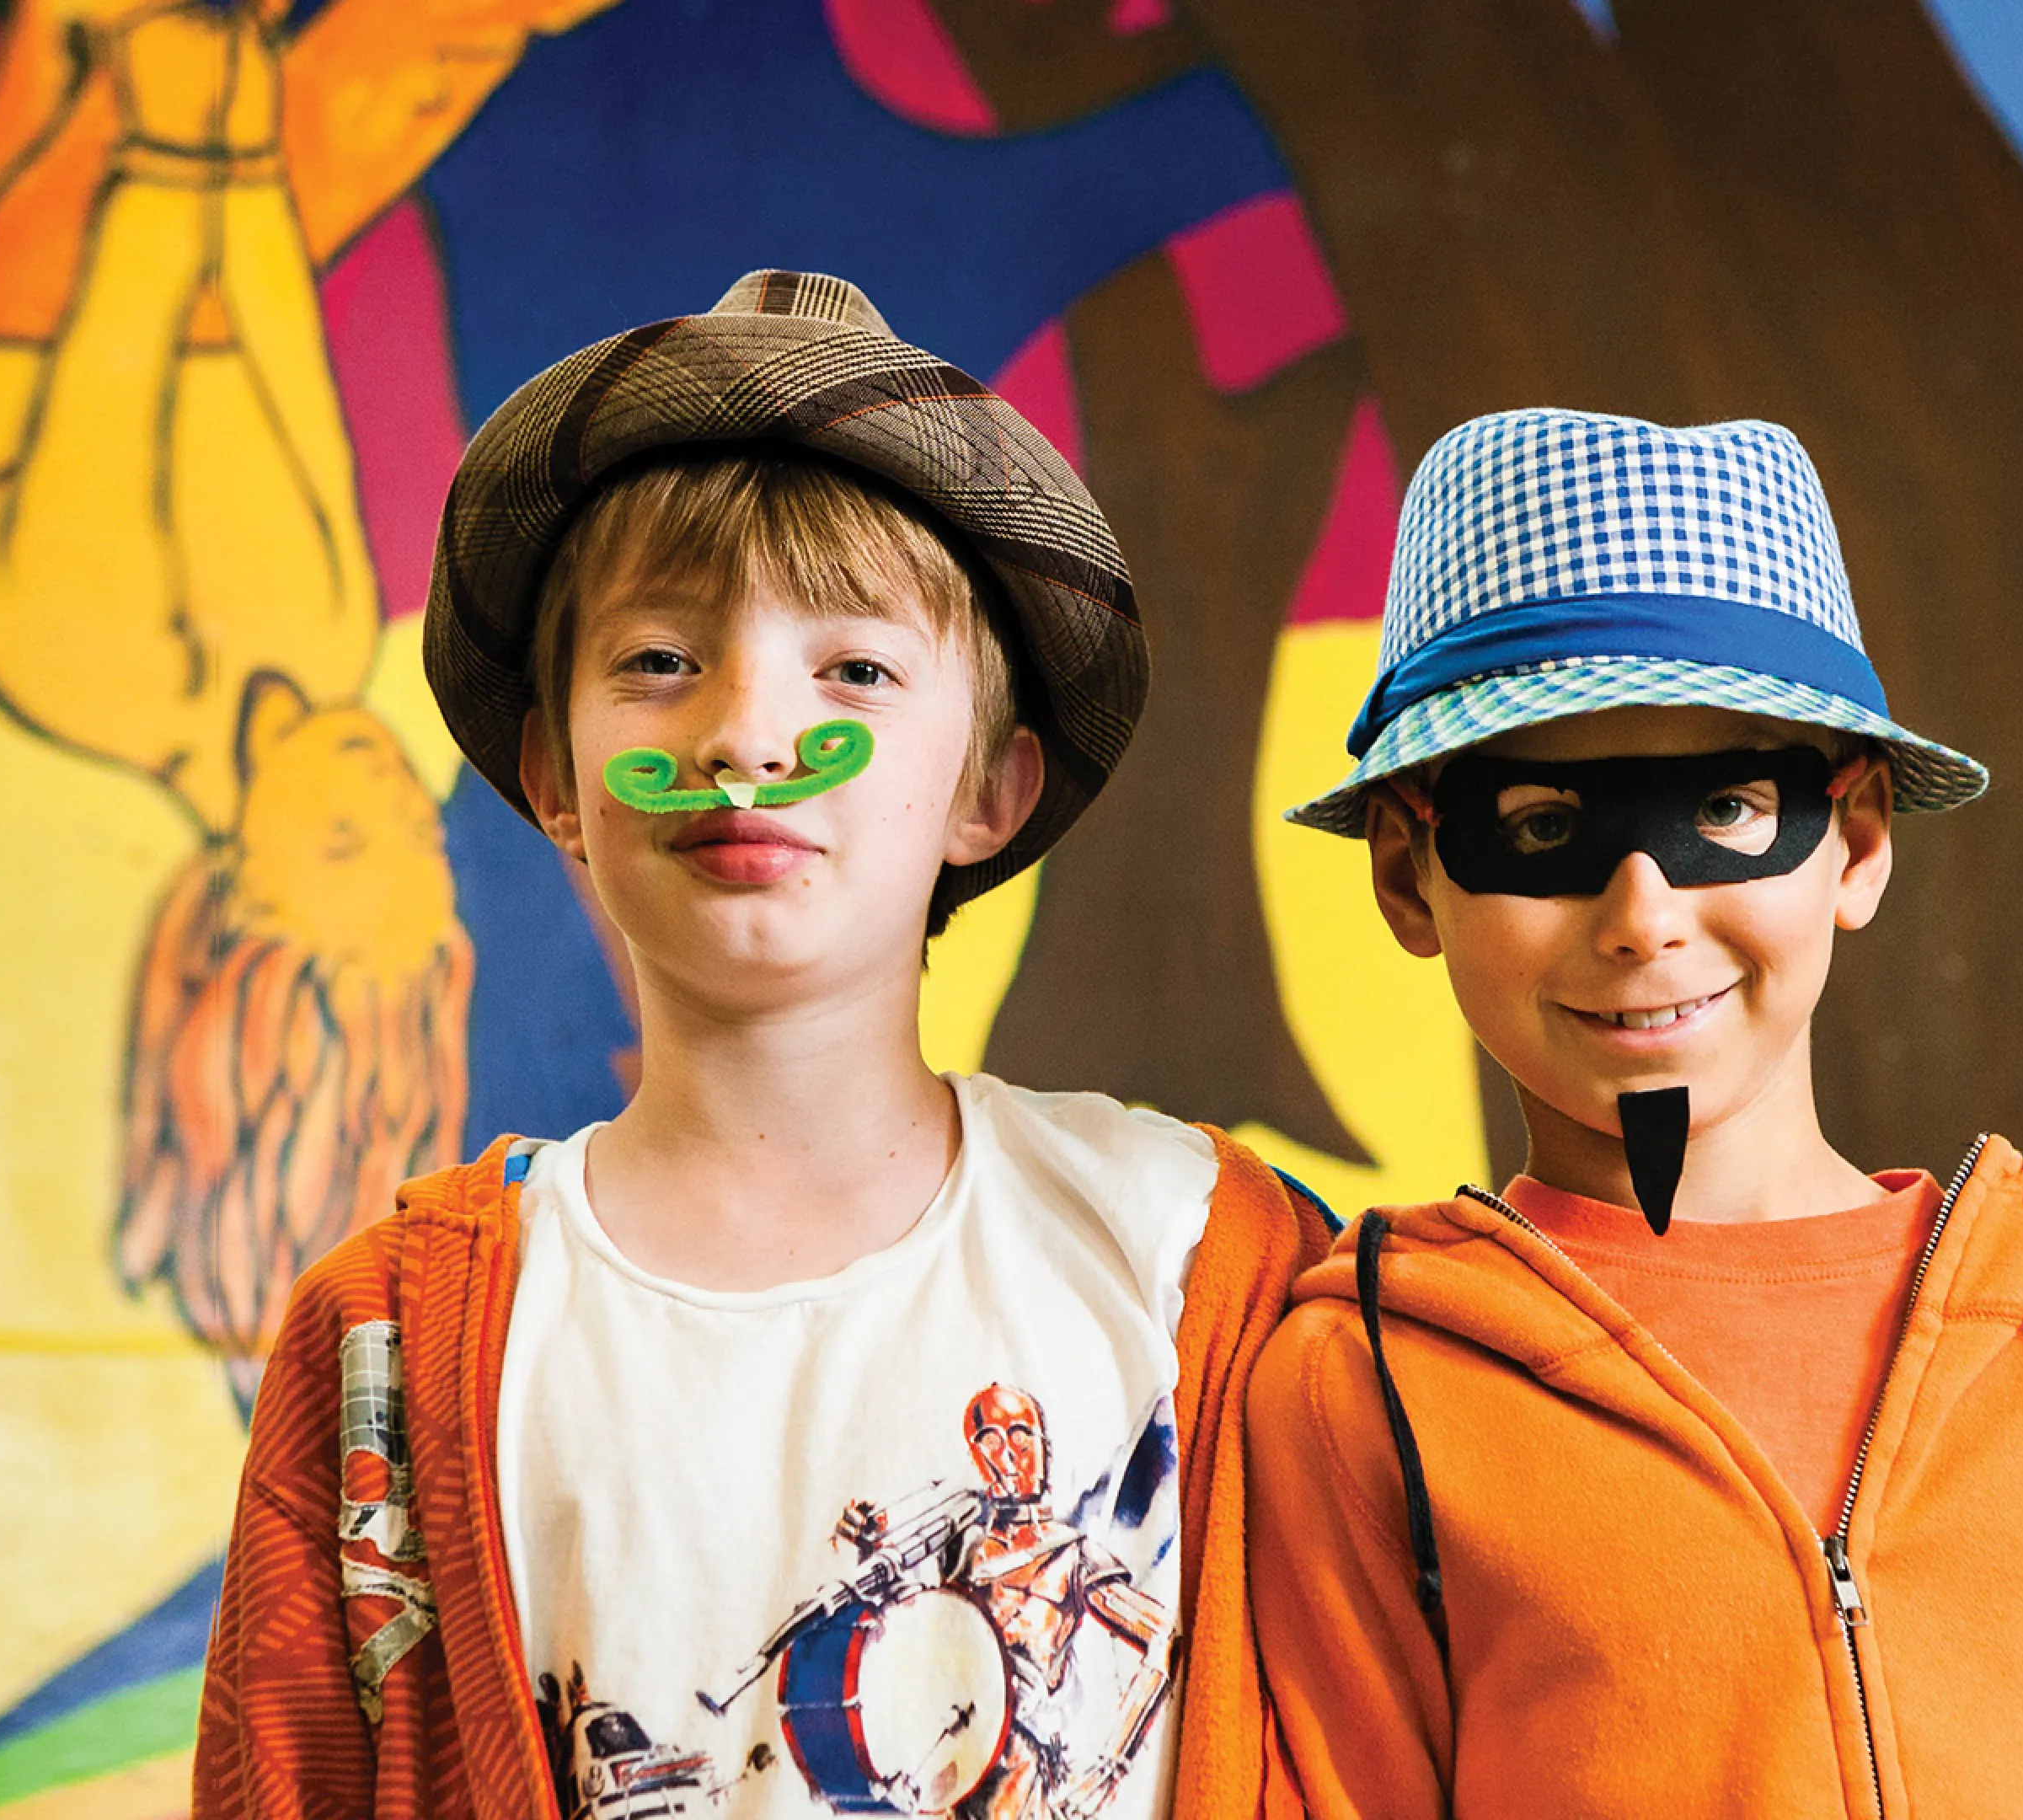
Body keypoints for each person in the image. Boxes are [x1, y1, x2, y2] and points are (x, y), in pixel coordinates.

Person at [190, 270, 1329, 1820]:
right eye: (661, 662)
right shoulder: (388, 1336)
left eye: (854, 669)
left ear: (989, 791)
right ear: (556, 776)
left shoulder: (1196, 1256)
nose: (744, 739)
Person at [1246, 407, 2023, 1816]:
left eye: (1729, 811)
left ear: (1855, 841)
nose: (1643, 919)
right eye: (1540, 826)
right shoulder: (1362, 1386)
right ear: (1406, 875)